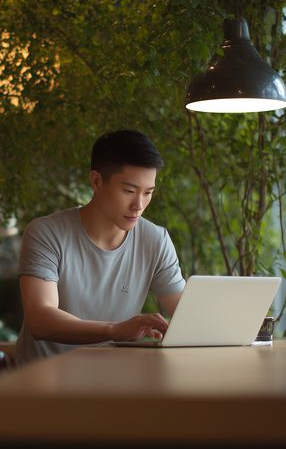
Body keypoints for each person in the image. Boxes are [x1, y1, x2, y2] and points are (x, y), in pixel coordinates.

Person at [14, 129, 186, 365]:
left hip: (111, 383)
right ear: (96, 181)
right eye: (129, 191)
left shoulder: (155, 240)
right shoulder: (46, 233)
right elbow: (40, 319)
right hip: (44, 385)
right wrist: (115, 330)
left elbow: (188, 317)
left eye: (148, 193)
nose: (139, 205)